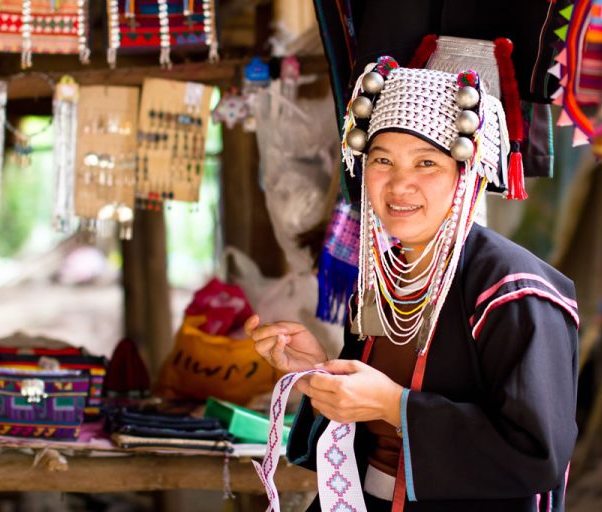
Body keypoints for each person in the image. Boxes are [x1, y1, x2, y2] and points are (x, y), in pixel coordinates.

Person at [245, 48, 579, 512]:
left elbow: (536, 452)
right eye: (382, 161)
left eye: (426, 164)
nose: (399, 185)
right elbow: (365, 416)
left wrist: (394, 406)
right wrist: (318, 373)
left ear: (467, 176)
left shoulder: (512, 289)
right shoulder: (383, 272)